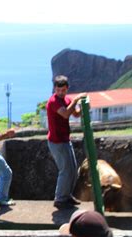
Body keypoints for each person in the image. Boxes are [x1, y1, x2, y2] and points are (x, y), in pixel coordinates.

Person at [46, 75, 86, 209]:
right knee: (65, 170)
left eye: (63, 90)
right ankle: (60, 199)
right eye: (58, 90)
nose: (60, 93)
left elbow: (75, 114)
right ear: (54, 89)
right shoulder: (53, 102)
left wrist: (82, 107)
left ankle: (67, 195)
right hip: (56, 141)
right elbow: (65, 114)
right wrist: (75, 100)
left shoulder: (66, 100)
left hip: (64, 139)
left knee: (73, 170)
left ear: (67, 89)